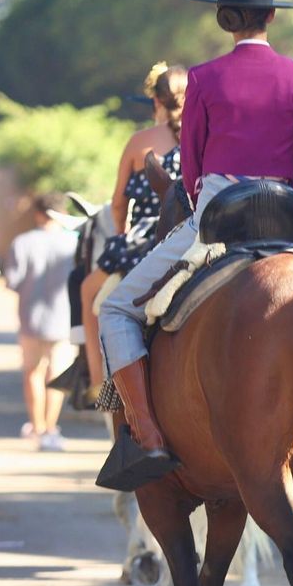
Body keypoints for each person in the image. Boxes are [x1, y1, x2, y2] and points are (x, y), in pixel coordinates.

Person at [97, 0, 293, 490]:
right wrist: (278, 185)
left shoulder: (203, 77)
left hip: (216, 216)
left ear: (225, 19)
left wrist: (216, 190)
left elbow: (193, 163)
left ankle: (149, 437)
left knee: (112, 307)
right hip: (287, 218)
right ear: (271, 16)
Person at [82, 63, 186, 407]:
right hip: (193, 230)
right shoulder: (206, 134)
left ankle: (98, 385)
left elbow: (117, 204)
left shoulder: (139, 141)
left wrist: (122, 236)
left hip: (148, 236)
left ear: (155, 101)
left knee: (88, 293)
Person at [5, 194, 78, 451]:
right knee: (56, 375)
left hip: (31, 318)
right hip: (64, 318)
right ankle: (50, 428)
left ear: (38, 213)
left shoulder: (22, 242)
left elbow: (13, 281)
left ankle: (36, 426)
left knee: (32, 373)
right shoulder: (74, 243)